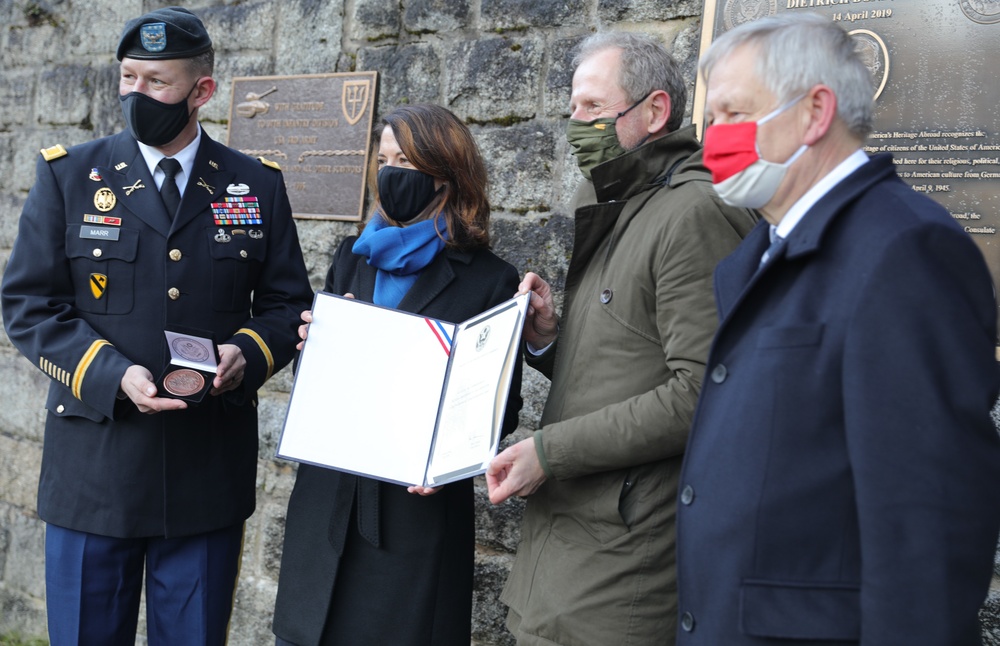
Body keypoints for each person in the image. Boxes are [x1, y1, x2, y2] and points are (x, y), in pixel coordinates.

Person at [674, 13, 1000, 645]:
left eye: (734, 114)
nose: (714, 139)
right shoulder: (755, 256)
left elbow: (925, 524)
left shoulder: (904, 249)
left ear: (814, 111)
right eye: (712, 120)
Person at [0, 7, 312, 645]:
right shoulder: (69, 176)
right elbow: (29, 305)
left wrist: (245, 357)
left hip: (204, 474)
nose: (136, 94)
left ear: (202, 92)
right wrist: (113, 375)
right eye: (128, 77)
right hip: (97, 470)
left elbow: (287, 307)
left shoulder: (256, 185)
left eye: (156, 82)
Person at [485, 31, 757, 645]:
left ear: (655, 111)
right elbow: (624, 363)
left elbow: (702, 393)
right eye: (573, 106)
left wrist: (548, 453)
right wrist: (551, 338)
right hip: (567, 549)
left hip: (623, 559)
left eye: (591, 108)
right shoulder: (619, 197)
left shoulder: (692, 212)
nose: (574, 123)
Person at [271, 103, 524, 646]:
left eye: (405, 160)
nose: (390, 173)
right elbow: (318, 384)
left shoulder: (489, 281)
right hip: (327, 508)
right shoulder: (351, 259)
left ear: (444, 174)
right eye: (383, 159)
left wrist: (450, 460)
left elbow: (500, 408)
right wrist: (312, 348)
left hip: (412, 520)